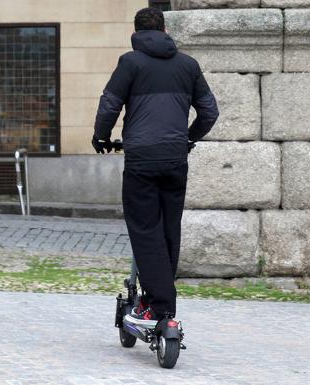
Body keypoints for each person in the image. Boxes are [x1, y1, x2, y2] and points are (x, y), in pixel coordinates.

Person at [92, 7, 218, 327]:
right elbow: (209, 113)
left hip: (142, 160)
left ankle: (159, 306)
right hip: (175, 159)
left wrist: (101, 137)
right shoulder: (188, 65)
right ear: (164, 29)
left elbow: (110, 104)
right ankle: (156, 300)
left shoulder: (130, 62)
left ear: (136, 32)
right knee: (168, 230)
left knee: (146, 231)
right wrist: (188, 138)